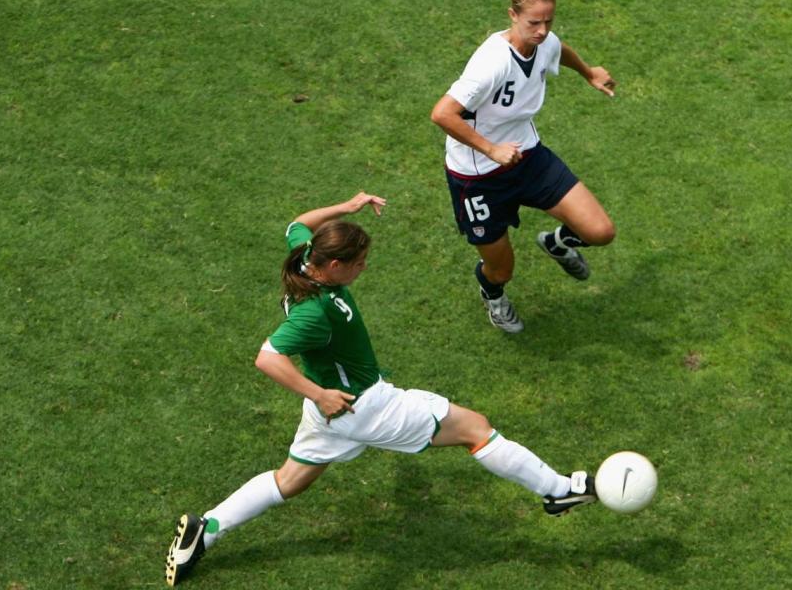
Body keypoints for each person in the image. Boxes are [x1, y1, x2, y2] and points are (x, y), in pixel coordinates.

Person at [164, 192, 598, 586]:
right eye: (358, 263)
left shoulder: (303, 258)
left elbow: (298, 221)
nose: (363, 268)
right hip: (364, 406)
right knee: (475, 428)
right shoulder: (315, 313)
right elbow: (267, 356)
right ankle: (559, 490)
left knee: (289, 481)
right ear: (333, 267)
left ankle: (208, 529)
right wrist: (318, 393)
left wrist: (346, 207)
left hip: (333, 414)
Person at [430, 0, 617, 333]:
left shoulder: (543, 41)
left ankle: (556, 243)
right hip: (478, 176)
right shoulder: (491, 63)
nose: (543, 30)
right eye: (534, 22)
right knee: (502, 270)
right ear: (512, 15)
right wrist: (491, 149)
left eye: (549, 20)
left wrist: (588, 72)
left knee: (600, 231)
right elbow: (442, 113)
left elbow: (557, 49)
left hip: (528, 157)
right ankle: (493, 295)